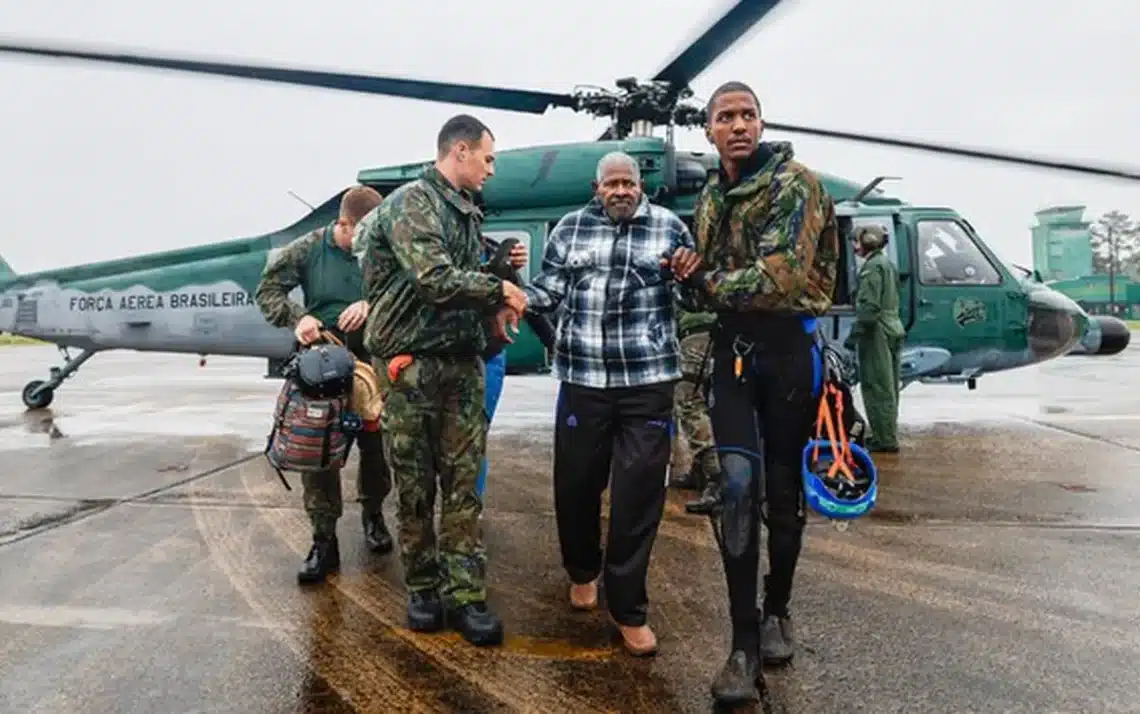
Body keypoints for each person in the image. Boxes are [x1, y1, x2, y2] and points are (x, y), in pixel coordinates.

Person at [674, 80, 840, 705]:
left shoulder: (795, 183)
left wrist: (707, 279)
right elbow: (712, 288)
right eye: (726, 117)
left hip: (789, 354)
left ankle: (778, 609)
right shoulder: (712, 197)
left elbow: (781, 277)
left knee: (782, 488)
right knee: (738, 488)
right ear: (709, 130)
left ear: (761, 123)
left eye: (748, 115)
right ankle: (743, 646)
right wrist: (688, 275)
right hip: (733, 353)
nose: (739, 125)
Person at [356, 113, 528, 648]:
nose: (491, 170)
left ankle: (466, 594)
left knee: (462, 485)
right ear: (460, 151)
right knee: (414, 486)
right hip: (411, 369)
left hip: (460, 366)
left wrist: (495, 298)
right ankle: (424, 588)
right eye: (488, 157)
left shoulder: (466, 213)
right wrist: (500, 290)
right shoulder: (414, 203)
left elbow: (463, 286)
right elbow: (433, 280)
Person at [519, 151, 698, 657]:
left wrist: (694, 279)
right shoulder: (569, 230)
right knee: (575, 485)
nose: (620, 190)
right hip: (583, 380)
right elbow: (549, 291)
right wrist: (513, 297)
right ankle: (581, 570)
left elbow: (695, 300)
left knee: (639, 497)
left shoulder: (670, 229)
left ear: (640, 187)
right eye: (611, 183)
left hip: (648, 382)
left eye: (628, 182)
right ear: (597, 189)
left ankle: (628, 609)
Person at [254, 184, 393, 585]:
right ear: (343, 224)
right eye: (361, 234)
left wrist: (372, 305)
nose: (367, 242)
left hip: (370, 366)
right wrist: (298, 317)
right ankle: (323, 540)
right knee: (318, 452)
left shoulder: (381, 248)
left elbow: (406, 290)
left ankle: (374, 515)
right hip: (321, 367)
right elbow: (267, 290)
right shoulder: (309, 249)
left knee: (376, 448)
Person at [843, 225, 904, 453]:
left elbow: (869, 308)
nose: (854, 245)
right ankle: (887, 433)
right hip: (893, 326)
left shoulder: (871, 268)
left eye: (856, 241)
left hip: (876, 330)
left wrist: (854, 336)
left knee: (877, 385)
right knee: (890, 387)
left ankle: (884, 439)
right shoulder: (887, 265)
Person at [669, 307, 721, 498]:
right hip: (719, 333)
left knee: (689, 402)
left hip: (698, 334)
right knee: (706, 402)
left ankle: (714, 471)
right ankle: (701, 471)